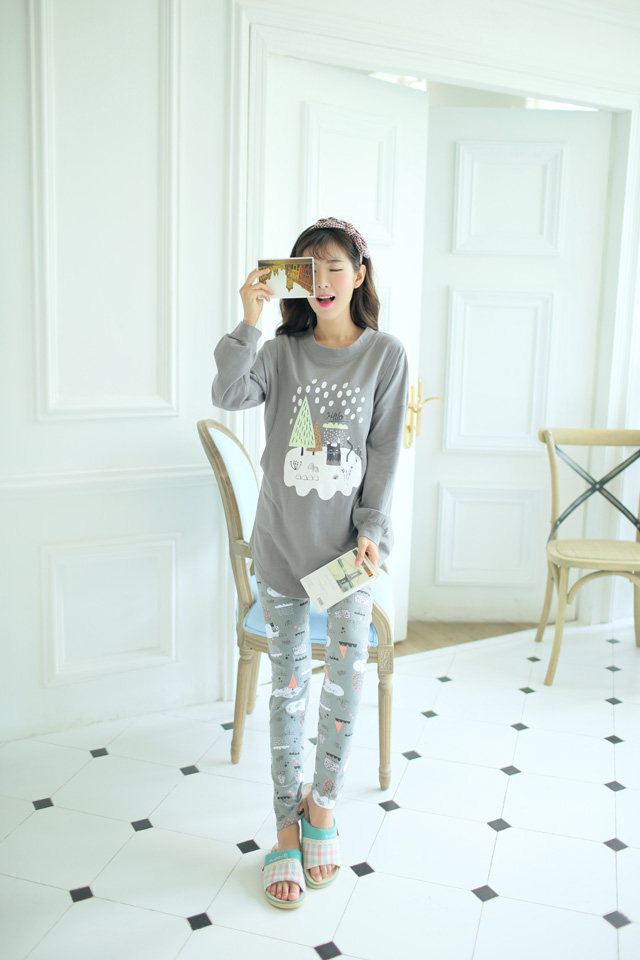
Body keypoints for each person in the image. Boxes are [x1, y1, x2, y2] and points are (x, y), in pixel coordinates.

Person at [211, 217, 409, 909]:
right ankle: (285, 828)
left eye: (333, 267)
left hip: (347, 556)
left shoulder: (385, 355)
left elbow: (383, 452)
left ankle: (322, 806)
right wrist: (249, 318)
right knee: (289, 691)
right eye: (308, 268)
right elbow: (228, 394)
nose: (321, 281)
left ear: (359, 274)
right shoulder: (281, 351)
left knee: (345, 685)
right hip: (281, 551)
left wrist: (372, 529)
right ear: (295, 279)